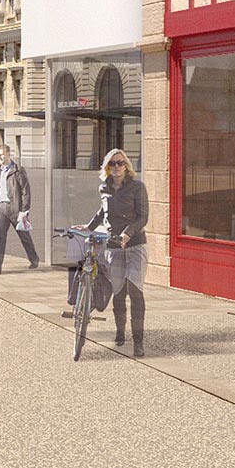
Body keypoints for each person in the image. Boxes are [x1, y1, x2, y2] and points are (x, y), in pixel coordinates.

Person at [77, 149, 149, 355]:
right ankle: (120, 332)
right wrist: (89, 226)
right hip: (114, 246)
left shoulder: (137, 187)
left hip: (135, 245)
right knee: (119, 292)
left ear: (126, 166)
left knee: (135, 291)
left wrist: (127, 234)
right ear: (107, 167)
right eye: (112, 164)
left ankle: (138, 341)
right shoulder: (104, 188)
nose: (116, 167)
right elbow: (103, 211)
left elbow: (143, 217)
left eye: (120, 163)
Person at [0, 141, 40, 273]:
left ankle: (34, 259)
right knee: (0, 238)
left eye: (2, 155)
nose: (0, 158)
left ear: (8, 154)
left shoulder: (18, 171)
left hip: (15, 208)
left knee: (24, 235)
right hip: (1, 208)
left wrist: (24, 211)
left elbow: (25, 192)